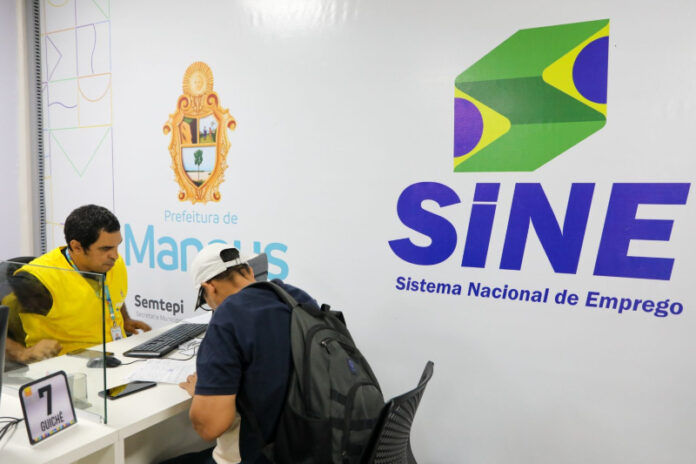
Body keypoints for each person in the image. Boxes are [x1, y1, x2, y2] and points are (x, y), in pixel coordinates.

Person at [175, 243, 317, 464]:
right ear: (249, 271)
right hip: (316, 447)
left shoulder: (227, 320)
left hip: (261, 456)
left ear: (209, 288)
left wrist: (202, 392)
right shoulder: (296, 297)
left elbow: (209, 428)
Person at [8, 204, 151, 358]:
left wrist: (125, 319)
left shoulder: (111, 263)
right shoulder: (38, 281)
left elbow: (112, 297)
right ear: (76, 247)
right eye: (105, 248)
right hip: (68, 367)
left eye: (117, 246)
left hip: (116, 358)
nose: (115, 256)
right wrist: (22, 353)